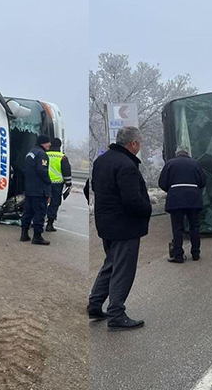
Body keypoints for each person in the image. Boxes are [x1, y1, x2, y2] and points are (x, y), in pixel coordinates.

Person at [88, 126, 152, 331]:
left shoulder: (101, 161)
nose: (140, 147)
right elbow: (132, 199)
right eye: (139, 143)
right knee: (123, 270)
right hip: (125, 226)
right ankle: (116, 314)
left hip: (106, 224)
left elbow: (91, 187)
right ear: (133, 143)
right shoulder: (126, 165)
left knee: (111, 264)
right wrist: (147, 209)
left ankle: (95, 304)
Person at [158, 145, 207, 263]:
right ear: (187, 153)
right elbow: (203, 181)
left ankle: (178, 255)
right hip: (193, 198)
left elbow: (162, 182)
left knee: (177, 228)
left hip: (176, 199)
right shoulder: (195, 164)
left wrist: (172, 190)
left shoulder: (170, 164)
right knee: (194, 227)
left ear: (177, 153)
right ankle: (196, 254)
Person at [20, 135, 53, 246]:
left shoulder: (30, 153)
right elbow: (42, 171)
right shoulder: (42, 154)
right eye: (48, 142)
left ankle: (24, 233)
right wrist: (49, 182)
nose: (49, 144)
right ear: (42, 143)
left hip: (30, 189)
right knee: (40, 212)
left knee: (28, 212)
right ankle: (37, 236)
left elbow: (25, 170)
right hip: (40, 190)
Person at [45, 138, 73, 232]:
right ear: (60, 146)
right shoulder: (62, 157)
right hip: (57, 184)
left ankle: (37, 221)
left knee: (42, 201)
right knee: (54, 203)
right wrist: (68, 184)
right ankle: (49, 223)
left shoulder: (44, 155)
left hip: (44, 182)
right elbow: (66, 172)